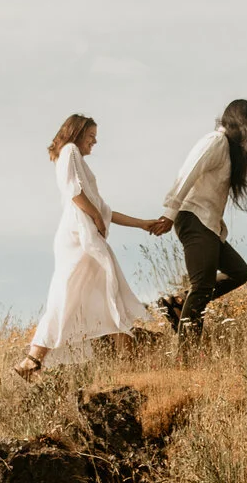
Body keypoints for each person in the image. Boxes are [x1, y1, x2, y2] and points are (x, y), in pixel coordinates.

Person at [17, 114, 172, 379]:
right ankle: (33, 359)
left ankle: (36, 361)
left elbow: (103, 209)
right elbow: (75, 193)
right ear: (77, 134)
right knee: (78, 292)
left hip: (84, 234)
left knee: (102, 290)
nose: (95, 142)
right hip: (79, 236)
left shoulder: (73, 157)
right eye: (91, 136)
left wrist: (142, 224)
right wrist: (98, 219)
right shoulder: (70, 150)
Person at [159, 99, 247, 334]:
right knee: (202, 287)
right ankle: (187, 358)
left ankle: (179, 303)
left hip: (209, 224)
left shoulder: (229, 148)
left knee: (239, 272)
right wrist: (169, 212)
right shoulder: (214, 141)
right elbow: (187, 173)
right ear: (240, 122)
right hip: (194, 218)